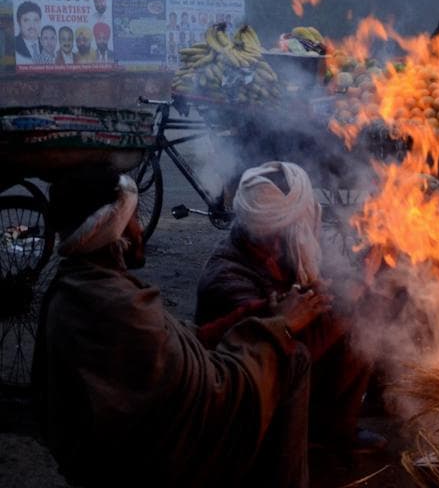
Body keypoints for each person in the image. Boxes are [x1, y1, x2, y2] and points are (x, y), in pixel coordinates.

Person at [32, 167, 329, 487]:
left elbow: (183, 339)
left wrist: (262, 315)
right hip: (147, 461)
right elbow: (216, 393)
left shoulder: (84, 285)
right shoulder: (113, 306)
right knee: (292, 359)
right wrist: (282, 327)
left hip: (122, 447)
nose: (139, 229)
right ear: (116, 235)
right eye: (134, 219)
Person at [195, 162, 386, 457]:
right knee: (350, 317)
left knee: (365, 311)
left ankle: (334, 428)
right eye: (270, 232)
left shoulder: (287, 246)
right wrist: (345, 303)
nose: (279, 240)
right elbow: (278, 354)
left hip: (287, 365)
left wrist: (363, 271)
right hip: (247, 395)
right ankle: (301, 436)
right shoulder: (226, 279)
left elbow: (327, 284)